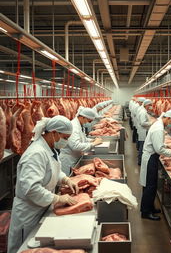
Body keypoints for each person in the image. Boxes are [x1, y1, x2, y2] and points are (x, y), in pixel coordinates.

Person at [8, 115, 80, 253]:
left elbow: (52, 170)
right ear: (53, 133)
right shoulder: (35, 154)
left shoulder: (49, 148)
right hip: (28, 213)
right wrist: (57, 198)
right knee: (25, 248)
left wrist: (65, 179)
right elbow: (32, 189)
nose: (66, 141)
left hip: (40, 207)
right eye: (65, 137)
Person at [140, 110, 171, 221]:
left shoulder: (158, 125)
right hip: (150, 158)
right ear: (169, 118)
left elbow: (156, 143)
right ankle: (146, 212)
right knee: (150, 186)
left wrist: (167, 146)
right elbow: (158, 149)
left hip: (151, 157)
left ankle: (150, 208)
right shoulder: (158, 128)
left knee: (151, 185)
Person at [59, 106, 103, 175]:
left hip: (75, 157)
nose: (89, 123)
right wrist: (93, 144)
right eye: (89, 121)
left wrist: (92, 140)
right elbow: (75, 146)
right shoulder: (74, 127)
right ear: (83, 117)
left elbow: (82, 138)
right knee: (68, 181)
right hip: (68, 160)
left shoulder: (79, 125)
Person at [137, 99, 154, 166]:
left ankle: (140, 160)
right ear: (146, 105)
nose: (151, 107)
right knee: (142, 146)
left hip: (143, 130)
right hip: (143, 131)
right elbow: (143, 123)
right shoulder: (143, 112)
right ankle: (140, 161)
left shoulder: (144, 111)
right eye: (150, 105)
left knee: (142, 146)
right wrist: (151, 123)